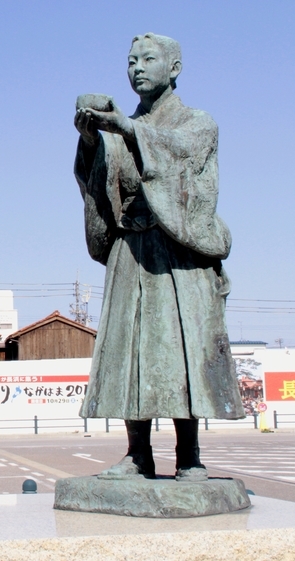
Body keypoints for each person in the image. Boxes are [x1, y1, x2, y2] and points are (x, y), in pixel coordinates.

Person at [73, 33, 244, 481]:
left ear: (174, 68)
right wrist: (91, 141)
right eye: (131, 61)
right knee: (131, 350)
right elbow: (100, 185)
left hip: (177, 253)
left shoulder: (197, 123)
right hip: (131, 250)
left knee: (180, 350)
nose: (137, 68)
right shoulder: (121, 130)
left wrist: (125, 129)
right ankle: (137, 455)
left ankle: (189, 455)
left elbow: (179, 154)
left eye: (148, 59)